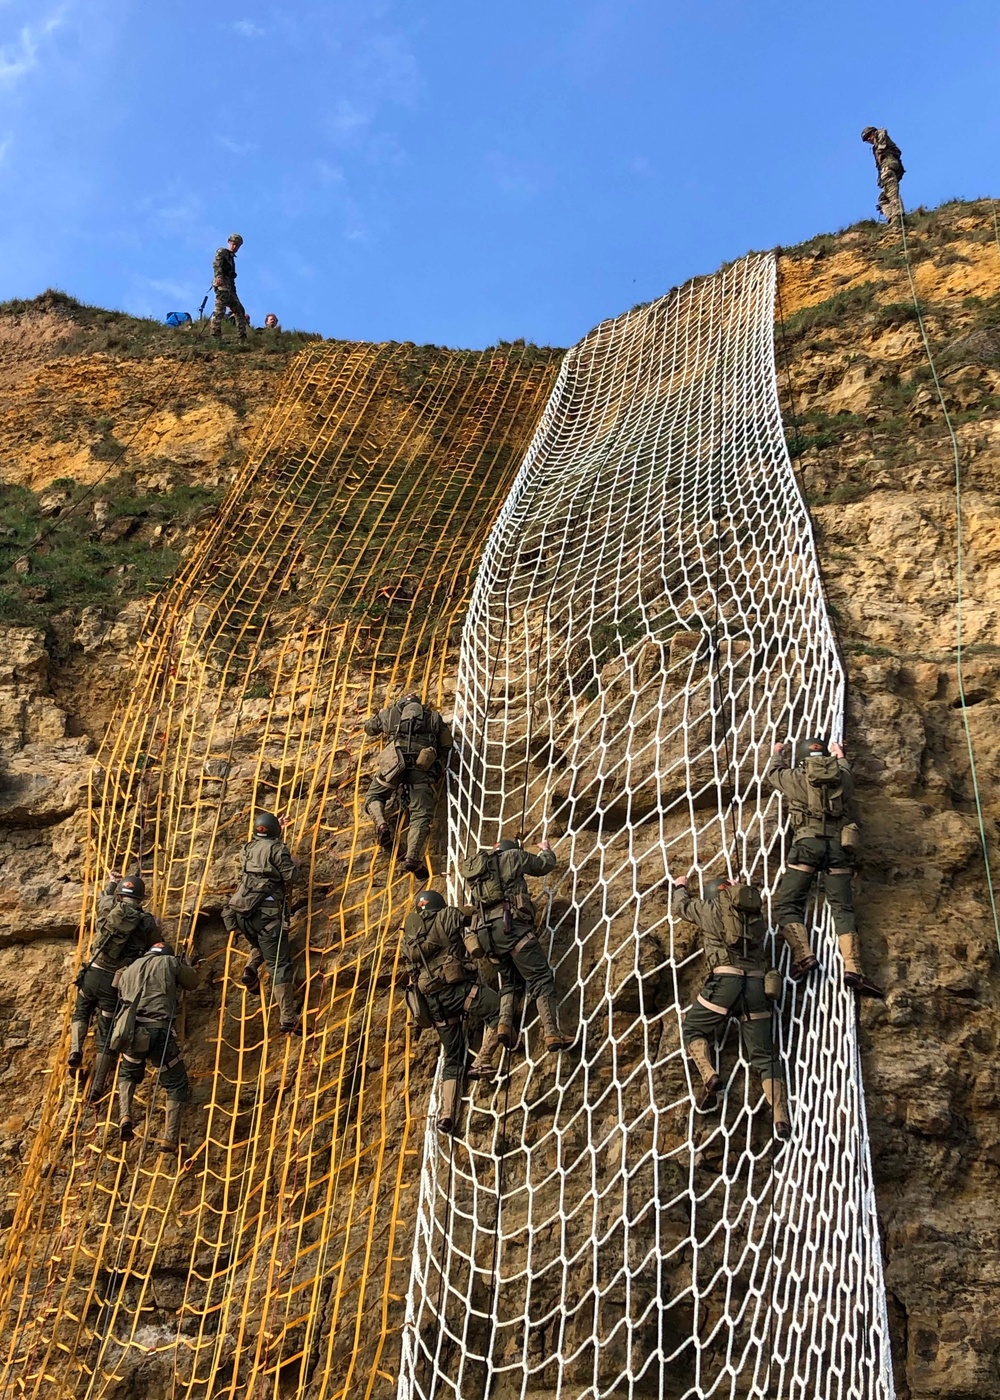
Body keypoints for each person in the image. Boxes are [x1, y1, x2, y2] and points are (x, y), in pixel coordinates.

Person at [672, 874, 790, 1140]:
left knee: (692, 1028)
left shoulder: (711, 909)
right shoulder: (757, 918)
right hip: (758, 988)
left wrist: (680, 886)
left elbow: (681, 906)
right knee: (764, 1058)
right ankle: (781, 1117)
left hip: (725, 984)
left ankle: (710, 1075)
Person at [767, 737, 884, 998]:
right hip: (838, 848)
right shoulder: (841, 776)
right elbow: (846, 772)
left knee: (787, 904)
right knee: (842, 908)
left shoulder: (795, 777)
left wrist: (777, 753)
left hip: (807, 846)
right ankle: (853, 968)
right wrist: (840, 754)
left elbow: (773, 774)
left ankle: (804, 955)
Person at [401, 890, 503, 1132]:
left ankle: (446, 1115)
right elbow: (467, 914)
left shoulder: (409, 940)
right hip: (457, 991)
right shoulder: (446, 917)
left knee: (453, 1058)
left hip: (433, 1005)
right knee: (499, 1009)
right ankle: (483, 1059)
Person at [460, 837, 573, 1053]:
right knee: (540, 977)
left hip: (487, 938)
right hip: (511, 929)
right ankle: (551, 1033)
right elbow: (544, 866)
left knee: (511, 982)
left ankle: (504, 1024)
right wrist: (546, 851)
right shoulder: (513, 856)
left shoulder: (478, 874)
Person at [115, 939, 199, 1154]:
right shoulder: (170, 962)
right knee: (176, 1083)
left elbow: (119, 992)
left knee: (127, 1072)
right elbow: (192, 982)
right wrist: (186, 965)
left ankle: (125, 1114)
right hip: (158, 1030)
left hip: (131, 1030)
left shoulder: (129, 969)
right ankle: (169, 1138)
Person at [69, 872, 158, 1074]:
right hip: (113, 981)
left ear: (121, 895)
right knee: (106, 1033)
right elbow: (155, 945)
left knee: (81, 1011)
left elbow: (103, 898)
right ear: (140, 899)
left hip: (93, 971)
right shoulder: (146, 922)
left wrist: (112, 882)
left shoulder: (110, 906)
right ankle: (97, 1086)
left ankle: (75, 1051)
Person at [221, 811, 301, 1032]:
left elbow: (263, 853)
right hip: (267, 916)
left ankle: (250, 969)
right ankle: (287, 1018)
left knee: (260, 944)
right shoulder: (277, 849)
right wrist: (295, 863)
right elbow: (291, 876)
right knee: (279, 964)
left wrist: (276, 830)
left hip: (242, 913)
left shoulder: (247, 848)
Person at [362, 693, 454, 879]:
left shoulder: (391, 713)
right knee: (420, 814)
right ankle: (412, 857)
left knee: (375, 796)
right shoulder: (433, 717)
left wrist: (380, 715)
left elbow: (369, 728)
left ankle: (381, 824)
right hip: (421, 769)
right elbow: (447, 744)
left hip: (395, 764)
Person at [861, 127, 905, 224]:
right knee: (883, 199)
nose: (868, 139)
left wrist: (880, 150)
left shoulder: (880, 134)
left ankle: (897, 217)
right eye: (866, 139)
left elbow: (882, 135)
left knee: (892, 192)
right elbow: (879, 166)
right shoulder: (874, 147)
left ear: (873, 132)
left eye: (869, 136)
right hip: (886, 169)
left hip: (889, 166)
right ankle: (891, 218)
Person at [210, 233, 247, 342]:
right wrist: (219, 277)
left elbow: (232, 279)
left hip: (230, 288)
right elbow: (216, 264)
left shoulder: (231, 259)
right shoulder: (222, 252)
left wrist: (234, 293)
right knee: (220, 309)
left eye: (237, 245)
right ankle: (215, 335)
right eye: (233, 244)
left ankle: (242, 337)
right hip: (222, 286)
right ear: (229, 243)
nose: (235, 247)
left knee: (240, 310)